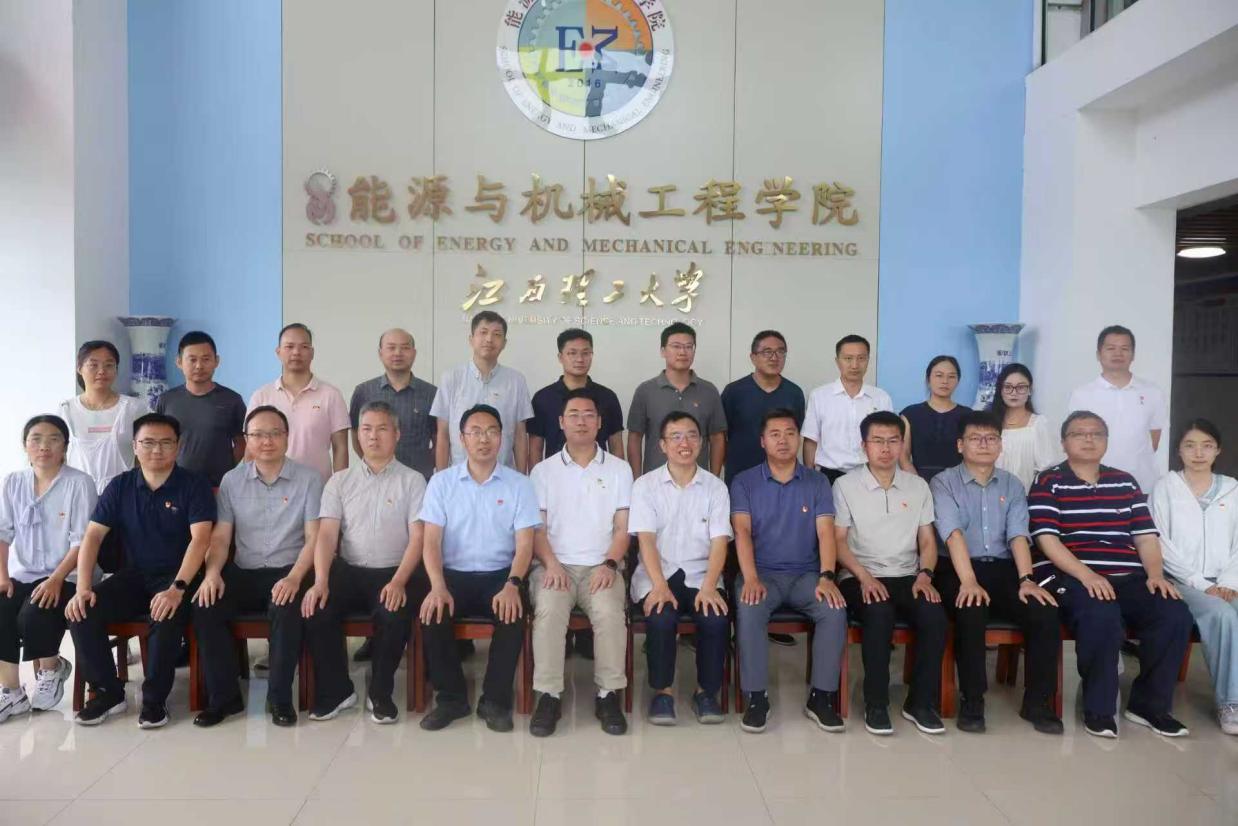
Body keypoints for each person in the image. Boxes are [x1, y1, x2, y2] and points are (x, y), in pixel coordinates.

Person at [1030, 410, 1193, 738]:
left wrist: (1156, 575)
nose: (1088, 439)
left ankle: (1149, 706)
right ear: (1064, 443)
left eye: (1096, 434)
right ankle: (1099, 709)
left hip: (1128, 575)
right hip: (1071, 575)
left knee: (1174, 614)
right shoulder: (1048, 482)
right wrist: (1087, 575)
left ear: (1106, 441)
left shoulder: (1124, 481)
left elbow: (1145, 537)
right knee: (1101, 615)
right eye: (1079, 434)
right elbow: (1047, 540)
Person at [65, 413, 216, 727]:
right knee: (81, 611)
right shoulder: (120, 485)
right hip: (134, 576)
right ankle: (108, 692)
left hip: (179, 576)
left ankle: (154, 701)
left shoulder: (194, 484)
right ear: (134, 446)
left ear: (178, 446)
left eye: (165, 443)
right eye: (148, 443)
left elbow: (201, 539)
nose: (156, 450)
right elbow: (92, 536)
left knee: (165, 613)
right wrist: (82, 587)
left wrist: (177, 588)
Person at [930, 410, 1063, 734]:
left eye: (991, 438)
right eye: (975, 438)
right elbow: (952, 534)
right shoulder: (943, 482)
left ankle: (1038, 702)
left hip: (1004, 569)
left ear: (1000, 445)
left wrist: (1027, 580)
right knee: (971, 608)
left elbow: (1018, 535)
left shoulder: (1012, 484)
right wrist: (969, 581)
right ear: (960, 445)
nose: (984, 444)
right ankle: (972, 700)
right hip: (958, 568)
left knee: (1043, 610)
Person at [191, 406, 323, 727]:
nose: (267, 441)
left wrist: (295, 578)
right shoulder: (232, 480)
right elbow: (221, 537)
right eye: (258, 435)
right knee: (205, 605)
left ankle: (279, 699)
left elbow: (314, 538)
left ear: (287, 437)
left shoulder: (309, 479)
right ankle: (225, 699)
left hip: (288, 570)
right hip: (244, 571)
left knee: (287, 607)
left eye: (275, 433)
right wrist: (212, 574)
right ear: (246, 440)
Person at [300, 402, 427, 724]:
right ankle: (338, 690)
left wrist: (399, 581)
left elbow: (418, 538)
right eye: (366, 429)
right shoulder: (339, 481)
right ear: (357, 436)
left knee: (393, 614)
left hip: (395, 571)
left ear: (397, 434)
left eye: (382, 429)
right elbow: (327, 535)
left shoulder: (413, 481)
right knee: (316, 606)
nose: (373, 436)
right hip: (349, 570)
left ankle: (380, 693)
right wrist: (320, 580)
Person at [418, 404, 541, 732]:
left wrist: (513, 584)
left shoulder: (519, 484)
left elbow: (525, 545)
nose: (483, 439)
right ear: (461, 439)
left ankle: (495, 702)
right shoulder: (441, 483)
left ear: (502, 437)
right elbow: (430, 542)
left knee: (512, 615)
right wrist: (437, 585)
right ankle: (451, 699)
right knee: (433, 613)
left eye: (491, 432)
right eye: (475, 432)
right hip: (452, 576)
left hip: (501, 575)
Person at [732, 408, 847, 734]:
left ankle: (821, 696)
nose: (783, 440)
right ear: (762, 441)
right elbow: (741, 531)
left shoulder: (817, 481)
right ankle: (756, 697)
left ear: (799, 438)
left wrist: (827, 576)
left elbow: (826, 533)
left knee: (833, 609)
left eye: (790, 433)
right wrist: (750, 578)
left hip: (806, 575)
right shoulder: (744, 482)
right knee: (750, 606)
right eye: (775, 434)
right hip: (761, 574)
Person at [527, 388, 633, 737]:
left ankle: (608, 694)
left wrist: (610, 564)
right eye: (574, 415)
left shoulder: (619, 470)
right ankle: (548, 695)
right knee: (549, 611)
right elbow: (537, 529)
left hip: (602, 566)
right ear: (561, 422)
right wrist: (551, 564)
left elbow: (623, 528)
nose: (581, 421)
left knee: (609, 613)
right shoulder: (542, 471)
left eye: (589, 415)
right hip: (553, 565)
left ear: (600, 422)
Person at [834, 411, 947, 736]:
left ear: (902, 445)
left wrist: (925, 574)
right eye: (878, 441)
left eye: (893, 441)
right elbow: (838, 542)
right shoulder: (845, 485)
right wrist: (864, 577)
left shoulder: (917, 486)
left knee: (935, 617)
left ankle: (920, 702)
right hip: (860, 576)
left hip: (909, 575)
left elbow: (927, 541)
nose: (885, 449)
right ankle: (876, 702)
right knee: (878, 613)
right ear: (864, 446)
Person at [629, 411, 732, 725]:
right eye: (675, 436)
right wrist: (659, 585)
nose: (684, 443)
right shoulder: (645, 485)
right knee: (661, 617)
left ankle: (706, 693)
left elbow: (719, 542)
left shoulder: (716, 487)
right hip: (656, 574)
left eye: (691, 435)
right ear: (662, 445)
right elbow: (645, 540)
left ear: (701, 443)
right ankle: (663, 692)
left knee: (715, 619)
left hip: (703, 575)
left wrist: (710, 586)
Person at [0, 416, 97, 721]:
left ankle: (51, 669)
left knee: (35, 610)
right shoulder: (12, 482)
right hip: (23, 572)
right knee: (1, 607)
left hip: (69, 574)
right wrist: (2, 576)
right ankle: (11, 691)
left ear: (65, 447)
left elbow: (82, 540)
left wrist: (56, 579)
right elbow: (3, 533)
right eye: (36, 439)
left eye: (54, 439)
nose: (44, 446)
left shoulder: (79, 483)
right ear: (25, 445)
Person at [1150, 419, 1238, 734]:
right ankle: (1231, 703)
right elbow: (1158, 542)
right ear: (1178, 450)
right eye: (1190, 445)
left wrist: (1228, 582)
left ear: (1218, 450)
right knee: (1221, 614)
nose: (1198, 453)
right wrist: (1202, 584)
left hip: (1227, 581)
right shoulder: (1166, 487)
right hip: (1182, 582)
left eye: (1206, 446)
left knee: (1227, 606)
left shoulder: (1232, 488)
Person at [1067, 325, 1167, 493]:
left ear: (1133, 355)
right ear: (1099, 354)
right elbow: (1076, 440)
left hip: (1142, 483)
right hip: (1095, 483)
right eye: (1111, 348)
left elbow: (1154, 441)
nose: (1118, 354)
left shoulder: (1153, 392)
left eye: (1124, 349)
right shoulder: (1082, 394)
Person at [431, 311, 534, 473]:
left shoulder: (516, 381)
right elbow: (442, 434)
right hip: (459, 476)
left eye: (497, 334)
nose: (489, 339)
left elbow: (520, 436)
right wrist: (442, 479)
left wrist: (521, 478)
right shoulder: (451, 378)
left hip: (504, 476)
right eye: (483, 332)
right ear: (471, 339)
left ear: (504, 343)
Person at [248, 323, 350, 483]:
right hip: (270, 487)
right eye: (289, 346)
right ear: (278, 352)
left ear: (312, 353)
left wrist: (340, 488)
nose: (296, 352)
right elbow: (251, 447)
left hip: (318, 488)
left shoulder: (331, 395)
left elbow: (341, 448)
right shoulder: (261, 396)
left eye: (304, 347)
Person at [627, 323, 727, 479]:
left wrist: (713, 479)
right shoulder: (645, 391)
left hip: (699, 482)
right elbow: (635, 438)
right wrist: (637, 479)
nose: (682, 352)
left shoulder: (709, 391)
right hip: (655, 482)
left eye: (688, 347)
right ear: (663, 351)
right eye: (676, 346)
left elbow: (717, 438)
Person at [155, 331, 246, 487]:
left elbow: (242, 443)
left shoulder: (232, 400)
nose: (199, 366)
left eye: (206, 359)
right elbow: (158, 441)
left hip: (219, 486)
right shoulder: (166, 400)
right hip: (175, 485)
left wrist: (229, 471)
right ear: (179, 362)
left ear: (216, 361)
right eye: (192, 359)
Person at [60, 340, 150, 495]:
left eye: (109, 365)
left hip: (123, 494)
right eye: (93, 365)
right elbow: (59, 458)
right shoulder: (66, 410)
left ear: (116, 369)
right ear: (79, 368)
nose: (101, 371)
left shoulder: (134, 408)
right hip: (77, 495)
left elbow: (147, 453)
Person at [802, 335, 893, 484]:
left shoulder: (881, 397)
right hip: (829, 475)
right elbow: (811, 441)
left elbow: (889, 440)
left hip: (870, 474)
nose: (855, 365)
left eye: (861, 358)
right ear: (837, 361)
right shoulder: (819, 396)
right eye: (848, 358)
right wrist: (810, 479)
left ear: (868, 360)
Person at [349, 328, 437, 481]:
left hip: (421, 481)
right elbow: (357, 436)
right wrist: (375, 464)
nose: (398, 353)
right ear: (380, 353)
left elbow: (439, 440)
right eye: (391, 348)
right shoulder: (363, 392)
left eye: (405, 348)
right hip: (375, 479)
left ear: (414, 353)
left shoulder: (431, 393)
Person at [721, 330, 806, 486]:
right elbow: (721, 437)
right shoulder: (734, 391)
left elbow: (796, 433)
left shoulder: (794, 393)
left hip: (783, 479)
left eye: (780, 352)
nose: (774, 357)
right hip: (740, 476)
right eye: (767, 352)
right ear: (753, 357)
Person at [528, 328, 625, 462]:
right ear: (560, 357)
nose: (579, 359)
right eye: (572, 353)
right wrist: (536, 474)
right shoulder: (543, 398)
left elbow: (616, 446)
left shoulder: (608, 397)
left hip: (599, 472)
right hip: (554, 472)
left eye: (585, 353)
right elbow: (535, 448)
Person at [989, 363, 1060, 492]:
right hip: (990, 496)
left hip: (1028, 496)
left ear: (1030, 390)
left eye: (1021, 387)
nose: (1014, 393)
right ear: (1000, 390)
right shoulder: (989, 424)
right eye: (1008, 387)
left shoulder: (1039, 424)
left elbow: (1049, 468)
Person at [900, 355, 970, 481]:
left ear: (958, 381)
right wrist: (919, 485)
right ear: (928, 379)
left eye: (951, 376)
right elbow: (903, 457)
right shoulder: (910, 414)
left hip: (958, 482)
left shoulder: (968, 415)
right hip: (918, 482)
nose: (945, 381)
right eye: (939, 375)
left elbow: (972, 456)